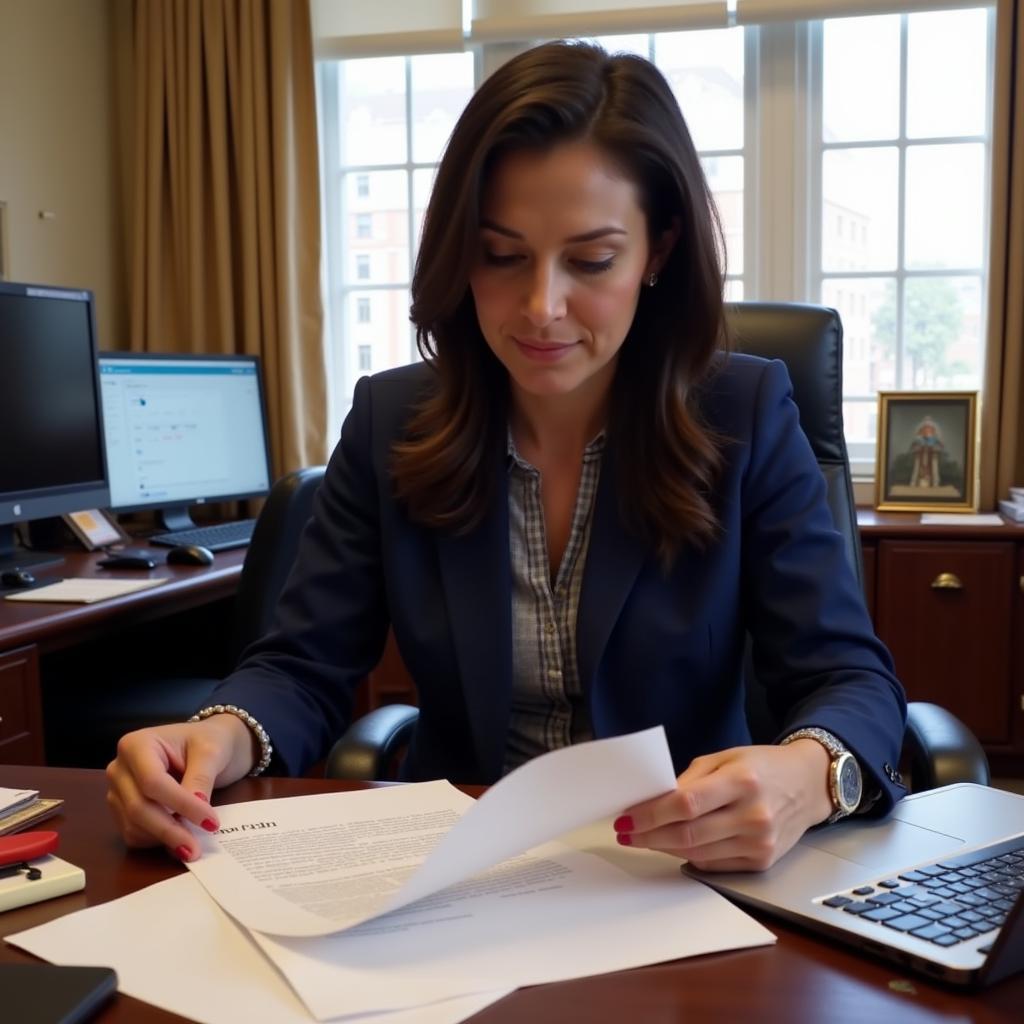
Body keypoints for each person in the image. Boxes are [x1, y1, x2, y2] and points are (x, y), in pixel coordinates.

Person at [106, 41, 906, 873]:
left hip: (681, 871)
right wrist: (216, 737)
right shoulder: (392, 421)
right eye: (501, 255)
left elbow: (849, 678)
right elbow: (302, 667)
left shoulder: (744, 413)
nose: (541, 307)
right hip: (459, 878)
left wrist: (815, 771)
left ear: (658, 252)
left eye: (591, 261)